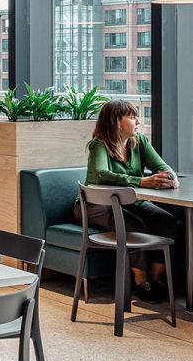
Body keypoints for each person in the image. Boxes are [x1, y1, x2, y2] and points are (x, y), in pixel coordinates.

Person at [75, 98, 182, 301]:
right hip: (96, 205)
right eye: (132, 117)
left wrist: (170, 178)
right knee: (133, 225)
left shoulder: (139, 141)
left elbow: (163, 166)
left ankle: (156, 279)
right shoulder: (99, 145)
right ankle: (141, 281)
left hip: (132, 202)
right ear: (117, 121)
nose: (138, 122)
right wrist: (140, 181)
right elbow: (99, 174)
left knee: (167, 223)